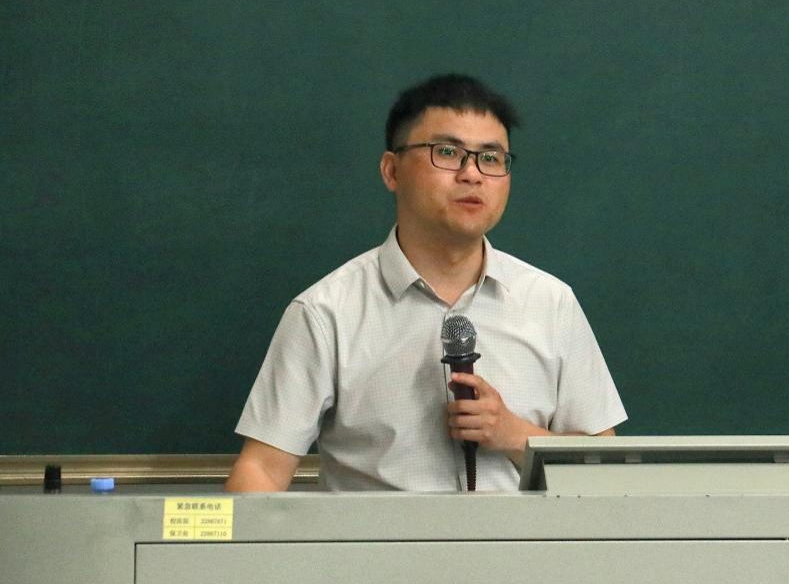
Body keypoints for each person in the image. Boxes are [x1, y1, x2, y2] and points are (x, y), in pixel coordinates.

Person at [225, 74, 626, 492]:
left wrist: (514, 435)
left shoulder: (551, 303)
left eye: (491, 158)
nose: (472, 175)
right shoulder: (326, 313)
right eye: (448, 152)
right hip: (378, 537)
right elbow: (262, 471)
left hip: (524, 537)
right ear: (391, 171)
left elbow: (604, 475)